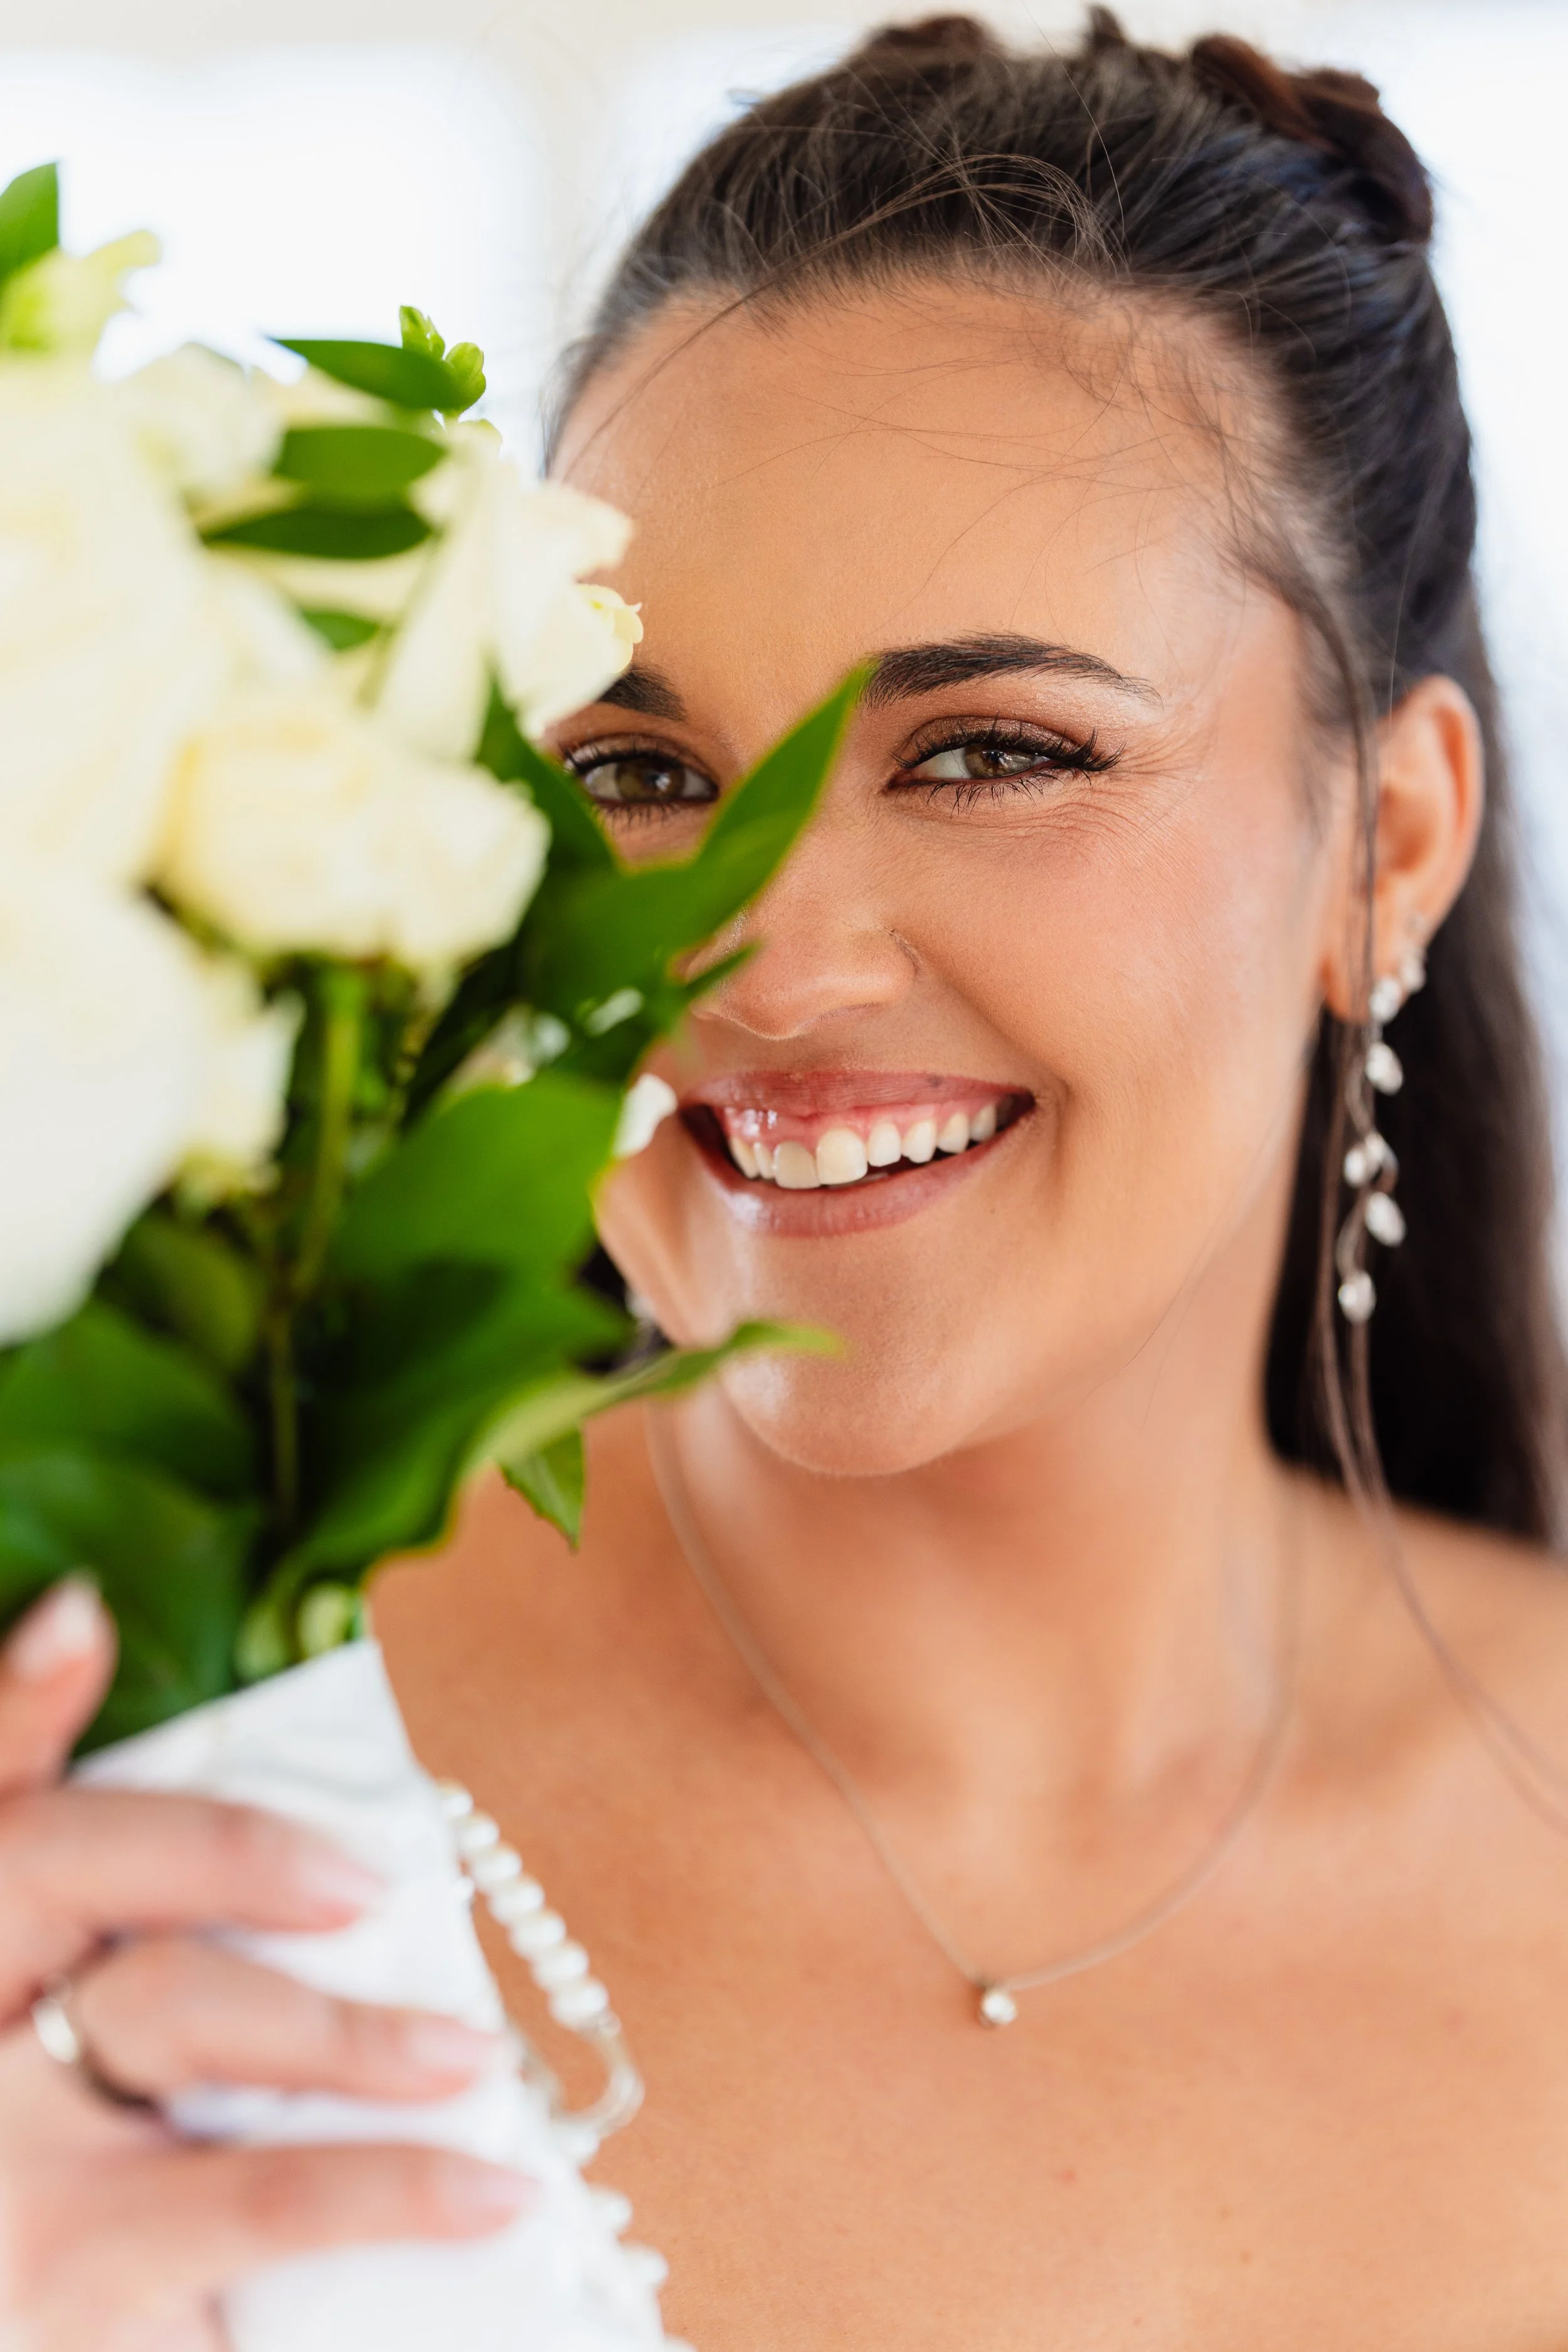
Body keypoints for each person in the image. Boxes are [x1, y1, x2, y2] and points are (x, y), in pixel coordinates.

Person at [6, 9, 1568, 2344]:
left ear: (1390, 840)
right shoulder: (144, 1783)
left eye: (993, 751)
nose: (758, 954)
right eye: (638, 768)